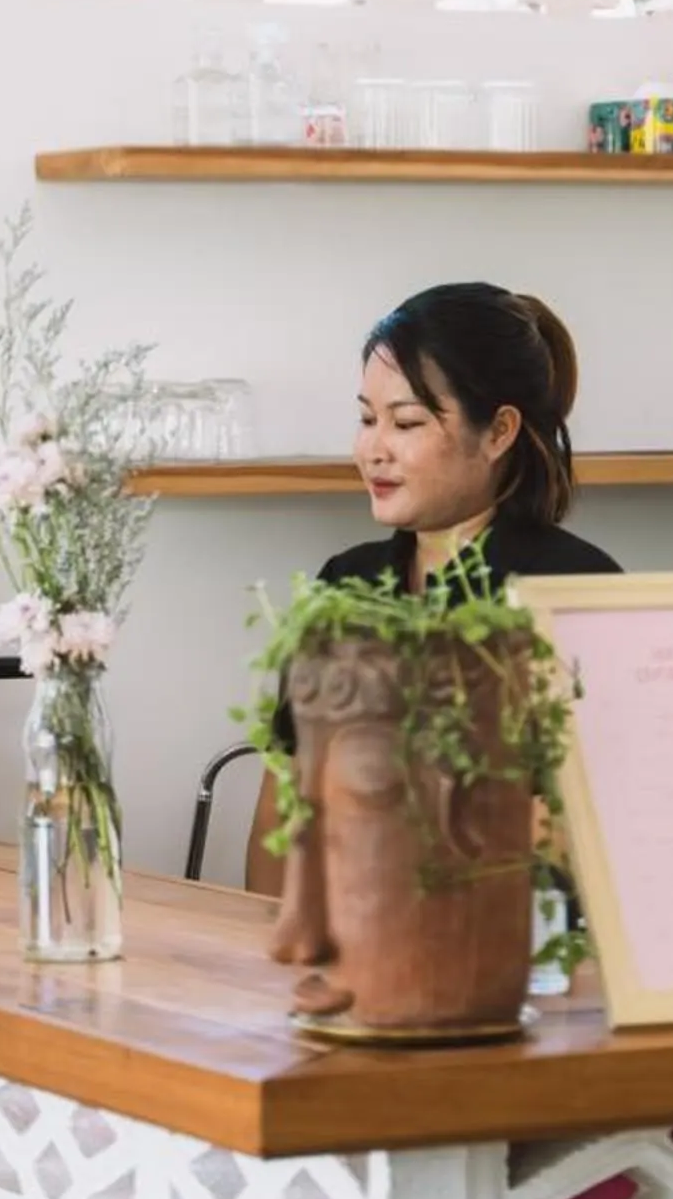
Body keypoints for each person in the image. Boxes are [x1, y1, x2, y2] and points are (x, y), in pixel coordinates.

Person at [245, 280, 618, 893]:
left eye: (407, 422)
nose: (373, 449)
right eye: (367, 419)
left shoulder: (576, 591)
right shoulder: (346, 583)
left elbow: (591, 835)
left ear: (498, 432)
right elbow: (284, 811)